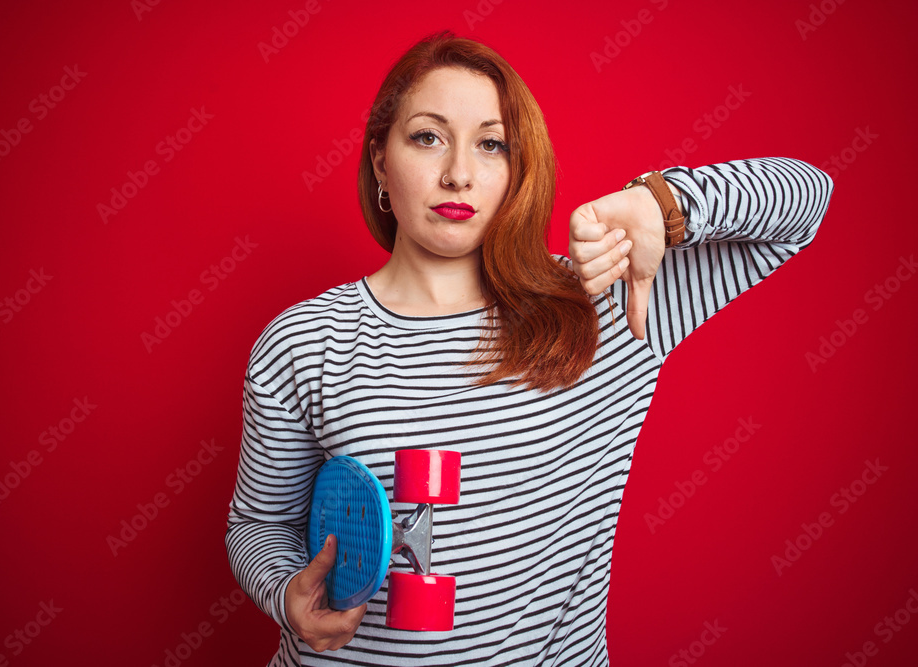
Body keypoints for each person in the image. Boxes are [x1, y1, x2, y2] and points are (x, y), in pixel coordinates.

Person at [225, 30, 833, 667]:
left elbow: (805, 198)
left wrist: (663, 203)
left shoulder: (602, 302)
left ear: (519, 169)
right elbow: (258, 527)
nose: (458, 172)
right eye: (427, 137)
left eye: (492, 145)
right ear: (380, 160)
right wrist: (284, 589)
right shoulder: (304, 340)